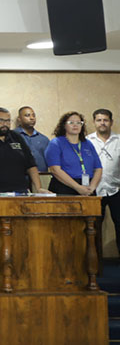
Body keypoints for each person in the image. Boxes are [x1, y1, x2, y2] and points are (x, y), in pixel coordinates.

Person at [45, 111, 102, 196]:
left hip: (87, 188)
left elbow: (98, 168)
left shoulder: (87, 143)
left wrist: (92, 188)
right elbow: (55, 170)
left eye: (79, 123)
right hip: (64, 187)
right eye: (71, 122)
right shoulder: (56, 143)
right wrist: (77, 187)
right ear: (64, 125)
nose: (75, 125)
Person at [88, 109, 119, 264]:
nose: (102, 123)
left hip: (116, 190)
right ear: (94, 122)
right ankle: (95, 264)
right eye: (99, 120)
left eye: (105, 120)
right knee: (93, 229)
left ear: (111, 122)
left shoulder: (119, 140)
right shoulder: (87, 141)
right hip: (94, 191)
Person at [13, 106, 50, 174]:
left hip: (42, 177)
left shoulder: (44, 139)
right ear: (19, 119)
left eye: (33, 115)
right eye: (27, 115)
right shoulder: (12, 137)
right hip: (20, 178)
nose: (32, 118)